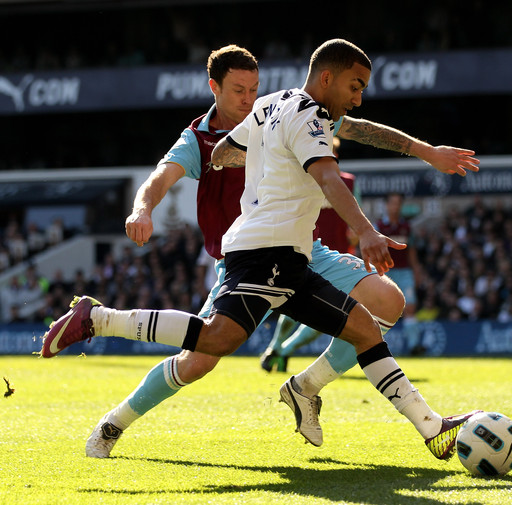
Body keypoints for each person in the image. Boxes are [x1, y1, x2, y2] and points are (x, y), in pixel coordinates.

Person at [41, 39, 480, 461]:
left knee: (377, 312)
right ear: (214, 88)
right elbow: (168, 177)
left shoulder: (275, 107)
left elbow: (263, 146)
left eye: (253, 88)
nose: (248, 98)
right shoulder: (206, 137)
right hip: (254, 255)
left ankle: (415, 423)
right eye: (238, 91)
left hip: (299, 253)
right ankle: (103, 355)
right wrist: (143, 209)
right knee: (206, 353)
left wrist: (425, 151)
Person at [260, 137, 360, 372]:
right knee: (301, 307)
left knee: (310, 309)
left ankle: (280, 350)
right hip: (311, 252)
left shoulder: (346, 183)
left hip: (326, 255)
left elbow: (355, 226)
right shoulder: (304, 180)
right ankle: (278, 349)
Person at [376, 193, 424, 355]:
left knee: (410, 307)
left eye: (398, 203)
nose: (395, 207)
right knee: (381, 311)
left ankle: (414, 345)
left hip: (404, 272)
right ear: (386, 206)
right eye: (393, 203)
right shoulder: (378, 227)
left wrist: (416, 270)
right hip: (385, 272)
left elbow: (411, 251)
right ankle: (377, 347)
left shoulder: (407, 227)